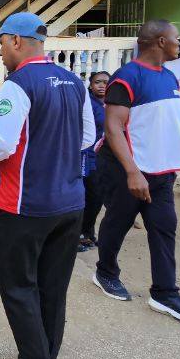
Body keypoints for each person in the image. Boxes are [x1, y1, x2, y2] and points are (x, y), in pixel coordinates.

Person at [0, 13, 95, 359]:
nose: (0, 54)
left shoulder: (19, 83)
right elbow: (88, 138)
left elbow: (1, 144)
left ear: (16, 41)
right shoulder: (74, 82)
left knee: (19, 289)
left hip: (22, 206)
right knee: (52, 289)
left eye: (2, 45)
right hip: (70, 204)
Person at [93, 20, 180, 324]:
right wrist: (132, 172)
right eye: (176, 38)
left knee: (164, 226)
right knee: (117, 223)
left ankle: (165, 293)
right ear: (160, 41)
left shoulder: (169, 76)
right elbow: (113, 128)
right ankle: (105, 272)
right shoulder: (127, 77)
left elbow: (162, 123)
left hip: (160, 171)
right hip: (127, 169)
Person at [79, 71, 110, 252]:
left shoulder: (112, 104)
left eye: (106, 82)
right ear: (91, 85)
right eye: (98, 82)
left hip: (106, 157)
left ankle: (89, 232)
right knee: (89, 195)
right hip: (88, 155)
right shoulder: (88, 103)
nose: (102, 85)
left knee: (98, 196)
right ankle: (79, 233)